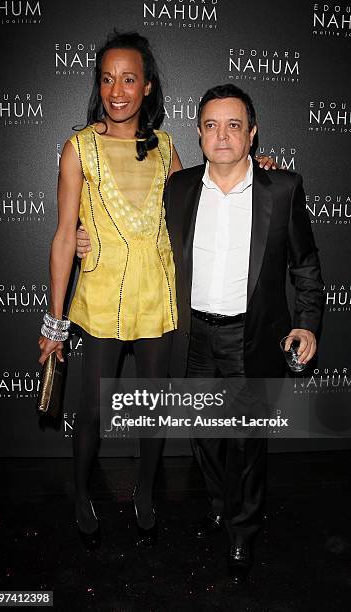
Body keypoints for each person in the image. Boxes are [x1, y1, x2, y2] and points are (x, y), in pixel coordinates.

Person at [163, 84, 324, 585]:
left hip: (252, 337)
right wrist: (85, 238)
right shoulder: (180, 188)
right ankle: (220, 501)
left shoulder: (282, 188)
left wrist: (306, 322)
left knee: (247, 441)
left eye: (234, 125)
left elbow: (306, 266)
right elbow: (140, 239)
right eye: (211, 125)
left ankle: (241, 529)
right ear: (199, 133)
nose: (222, 135)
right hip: (195, 338)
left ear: (252, 133)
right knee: (203, 435)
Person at [38, 31, 183, 550]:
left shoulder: (166, 148)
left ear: (147, 87)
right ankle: (81, 494)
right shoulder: (79, 147)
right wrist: (54, 323)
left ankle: (145, 493)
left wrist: (257, 173)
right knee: (93, 411)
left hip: (155, 298)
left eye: (129, 79)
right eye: (107, 79)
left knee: (154, 406)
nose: (117, 90)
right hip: (100, 299)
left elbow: (192, 213)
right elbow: (62, 235)